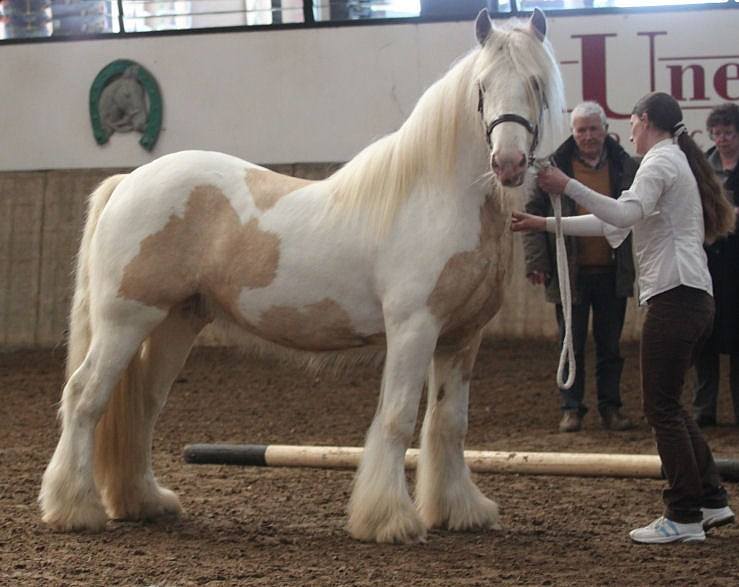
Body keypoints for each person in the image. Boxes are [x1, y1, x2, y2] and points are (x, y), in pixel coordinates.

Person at [511, 92, 735, 544]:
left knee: (661, 407)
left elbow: (622, 212)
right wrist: (545, 225)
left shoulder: (659, 162)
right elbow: (614, 223)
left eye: (630, 123)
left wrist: (568, 186)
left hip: (674, 297)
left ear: (645, 120)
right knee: (670, 403)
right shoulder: (669, 162)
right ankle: (710, 499)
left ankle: (684, 514)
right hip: (689, 297)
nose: (626, 132)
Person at [523, 101, 637, 433]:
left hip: (613, 269)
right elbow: (533, 209)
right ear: (573, 132)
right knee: (569, 343)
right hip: (568, 270)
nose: (588, 135)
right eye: (581, 130)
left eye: (593, 128)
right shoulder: (552, 168)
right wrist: (537, 262)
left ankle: (610, 408)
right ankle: (571, 408)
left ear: (605, 129)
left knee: (610, 346)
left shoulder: (623, 165)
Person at [693, 103, 739, 428]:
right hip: (708, 263)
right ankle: (704, 409)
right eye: (717, 133)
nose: (722, 139)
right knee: (704, 339)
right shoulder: (704, 168)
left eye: (728, 133)